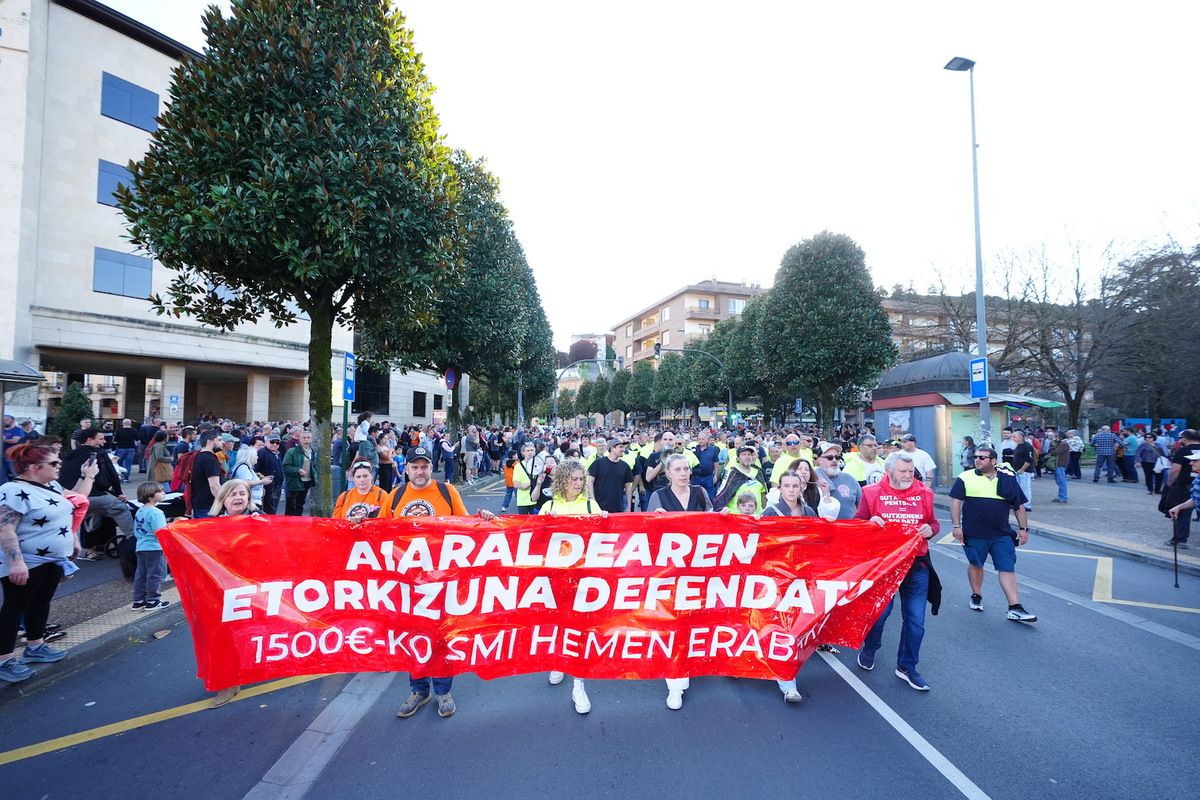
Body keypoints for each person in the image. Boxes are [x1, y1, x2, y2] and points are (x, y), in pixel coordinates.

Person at [380, 446, 496, 719]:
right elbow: (378, 531)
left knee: (442, 634)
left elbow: (467, 527)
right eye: (414, 467)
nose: (419, 472)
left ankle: (443, 690)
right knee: (413, 636)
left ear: (431, 468)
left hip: (442, 578)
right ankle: (419, 690)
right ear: (406, 469)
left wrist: (485, 520)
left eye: (424, 466)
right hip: (406, 580)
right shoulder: (395, 496)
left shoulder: (447, 492)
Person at [0, 443, 96, 683]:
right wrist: (16, 563)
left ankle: (36, 646)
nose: (59, 465)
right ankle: (4, 660)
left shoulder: (50, 485)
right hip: (27, 561)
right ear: (34, 467)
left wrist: (72, 538)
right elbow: (5, 528)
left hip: (53, 559)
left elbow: (72, 504)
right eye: (54, 463)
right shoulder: (12, 491)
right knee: (14, 609)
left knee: (40, 603)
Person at [855, 452, 941, 690]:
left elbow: (934, 522)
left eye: (911, 471)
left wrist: (930, 529)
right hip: (884, 566)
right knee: (881, 614)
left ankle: (907, 666)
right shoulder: (871, 493)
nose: (908, 475)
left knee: (916, 621)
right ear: (889, 471)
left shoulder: (925, 493)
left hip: (916, 565)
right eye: (903, 471)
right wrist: (870, 524)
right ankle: (871, 647)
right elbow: (858, 522)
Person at [539, 458, 608, 714]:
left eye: (581, 479)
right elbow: (535, 544)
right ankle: (559, 662)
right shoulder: (548, 506)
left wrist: (604, 520)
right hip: (557, 578)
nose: (578, 484)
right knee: (558, 623)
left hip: (585, 578)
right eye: (574, 479)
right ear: (563, 480)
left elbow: (602, 540)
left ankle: (579, 682)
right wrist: (547, 525)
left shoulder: (591, 504)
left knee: (580, 626)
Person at [949, 447, 1037, 622]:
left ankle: (1015, 607)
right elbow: (955, 502)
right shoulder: (965, 477)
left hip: (1002, 534)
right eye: (975, 457)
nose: (977, 460)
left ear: (993, 460)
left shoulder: (1007, 479)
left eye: (982, 457)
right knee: (976, 564)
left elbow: (1018, 505)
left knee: (1007, 568)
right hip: (974, 533)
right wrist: (956, 526)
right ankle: (976, 594)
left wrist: (1023, 529)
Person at [59, 428, 136, 560]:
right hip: (94, 495)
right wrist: (119, 493)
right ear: (90, 440)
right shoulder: (98, 453)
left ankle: (90, 550)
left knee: (87, 514)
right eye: (101, 439)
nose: (104, 441)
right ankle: (134, 541)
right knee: (120, 508)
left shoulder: (69, 455)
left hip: (73, 497)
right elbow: (112, 475)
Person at [131, 481, 171, 611]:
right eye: (160, 491)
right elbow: (160, 532)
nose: (164, 493)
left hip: (141, 546)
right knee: (157, 574)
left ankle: (139, 599)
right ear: (150, 496)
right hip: (155, 547)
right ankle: (153, 600)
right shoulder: (156, 512)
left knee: (141, 573)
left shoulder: (140, 511)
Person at [1162, 429, 1200, 548]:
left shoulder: (1183, 450)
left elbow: (1175, 469)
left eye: (1194, 461)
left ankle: (1180, 539)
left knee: (1184, 514)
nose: (1191, 463)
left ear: (1185, 438)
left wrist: (1169, 483)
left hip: (1183, 485)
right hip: (1193, 485)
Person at [646, 453, 715, 512]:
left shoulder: (700, 492)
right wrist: (655, 518)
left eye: (686, 469)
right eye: (677, 469)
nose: (683, 473)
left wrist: (723, 515)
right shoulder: (659, 495)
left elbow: (712, 519)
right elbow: (648, 524)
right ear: (669, 474)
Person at [713, 445, 768, 513]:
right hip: (736, 517)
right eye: (744, 454)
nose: (747, 456)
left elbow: (763, 493)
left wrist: (764, 511)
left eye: (749, 454)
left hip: (756, 517)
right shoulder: (732, 474)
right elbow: (722, 493)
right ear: (738, 458)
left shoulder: (758, 472)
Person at [587, 438, 634, 514]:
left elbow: (628, 486)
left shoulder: (625, 466)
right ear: (612, 448)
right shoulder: (598, 463)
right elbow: (590, 481)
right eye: (620, 447)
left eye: (623, 447)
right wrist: (593, 500)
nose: (623, 449)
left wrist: (629, 506)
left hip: (618, 507)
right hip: (599, 507)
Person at [815, 444, 862, 520]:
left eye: (837, 457)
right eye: (829, 458)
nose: (834, 460)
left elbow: (862, 505)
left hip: (850, 528)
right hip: (822, 529)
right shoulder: (812, 479)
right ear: (820, 460)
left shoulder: (849, 478)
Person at [231, 440, 272, 509]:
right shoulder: (243, 468)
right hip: (250, 503)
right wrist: (262, 482)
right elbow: (246, 482)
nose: (257, 457)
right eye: (255, 455)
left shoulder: (247, 468)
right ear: (250, 457)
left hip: (253, 501)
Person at [282, 430, 316, 516]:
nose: (306, 439)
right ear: (300, 439)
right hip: (295, 481)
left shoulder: (313, 452)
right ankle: (289, 522)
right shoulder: (292, 451)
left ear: (311, 439)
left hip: (307, 481)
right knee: (291, 504)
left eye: (308, 437)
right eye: (304, 437)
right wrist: (297, 470)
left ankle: (299, 521)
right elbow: (286, 467)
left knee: (300, 504)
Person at [256, 435, 285, 514]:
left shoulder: (278, 454)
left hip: (277, 486)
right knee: (269, 510)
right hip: (269, 487)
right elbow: (255, 469)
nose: (275, 444)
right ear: (266, 443)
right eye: (272, 442)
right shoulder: (261, 453)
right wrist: (262, 479)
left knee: (274, 508)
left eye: (277, 442)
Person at [1009, 431, 1035, 513]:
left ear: (1020, 437)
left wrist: (1022, 469)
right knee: (1018, 487)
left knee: (1025, 487)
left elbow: (1029, 459)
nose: (1013, 438)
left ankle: (1027, 505)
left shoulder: (1027, 446)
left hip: (1025, 471)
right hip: (1017, 470)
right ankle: (1019, 503)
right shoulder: (1018, 446)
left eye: (1014, 436)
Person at [1049, 431, 1070, 504]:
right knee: (1059, 481)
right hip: (1059, 464)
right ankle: (1062, 496)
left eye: (1056, 435)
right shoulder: (1063, 444)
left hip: (1060, 464)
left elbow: (1054, 452)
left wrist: (1052, 448)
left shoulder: (1063, 444)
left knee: (1061, 481)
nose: (1055, 437)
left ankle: (1063, 497)